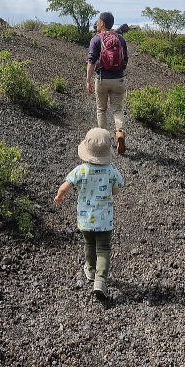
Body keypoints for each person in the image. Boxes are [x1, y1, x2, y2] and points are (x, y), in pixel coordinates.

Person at [53, 127, 124, 300]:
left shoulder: (81, 170)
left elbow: (65, 186)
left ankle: (91, 271)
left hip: (85, 219)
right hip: (105, 219)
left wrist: (59, 196)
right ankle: (100, 281)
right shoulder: (112, 170)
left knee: (89, 244)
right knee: (104, 248)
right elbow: (116, 190)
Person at [86, 12, 128, 154]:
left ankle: (104, 140)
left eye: (98, 21)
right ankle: (120, 133)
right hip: (118, 79)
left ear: (102, 23)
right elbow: (125, 61)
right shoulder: (120, 39)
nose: (96, 23)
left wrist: (88, 80)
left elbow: (91, 62)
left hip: (102, 79)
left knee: (101, 110)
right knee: (117, 109)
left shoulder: (96, 39)